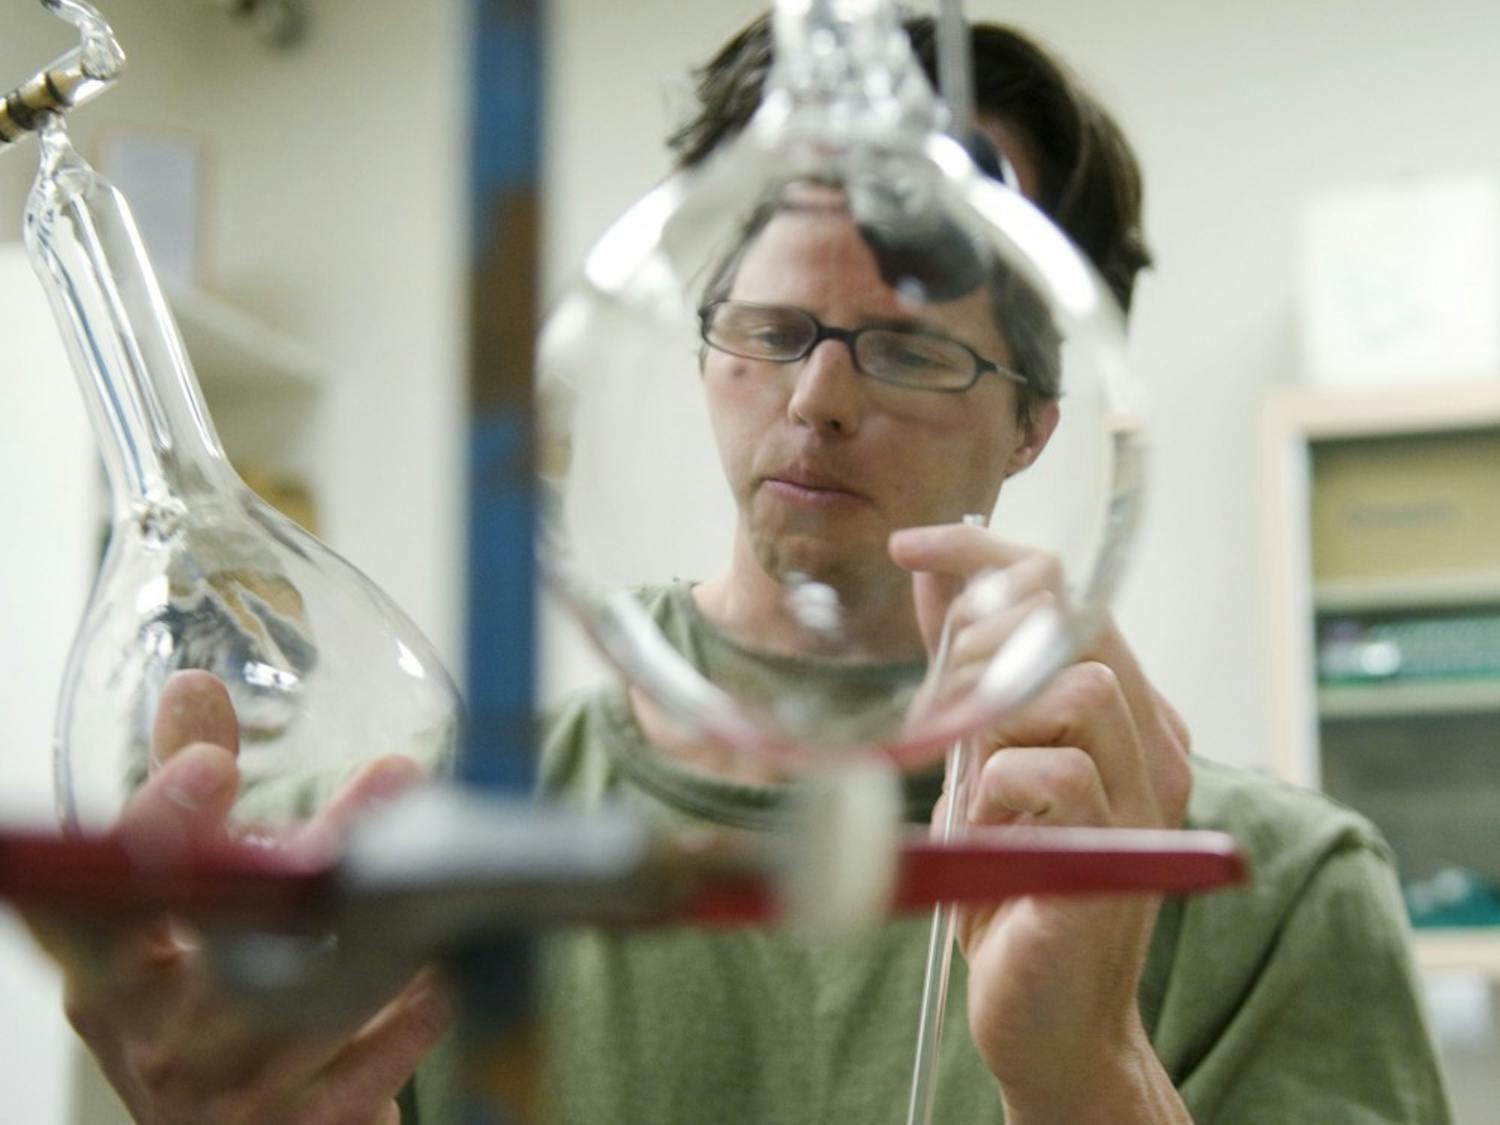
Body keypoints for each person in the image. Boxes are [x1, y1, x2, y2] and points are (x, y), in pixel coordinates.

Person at [37, 13, 1449, 1125]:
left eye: (906, 347)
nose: (821, 400)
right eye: (771, 329)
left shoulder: (1273, 892)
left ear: (1037, 424)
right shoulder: (390, 838)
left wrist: (1090, 1080)